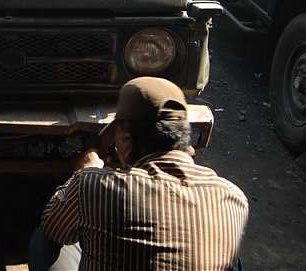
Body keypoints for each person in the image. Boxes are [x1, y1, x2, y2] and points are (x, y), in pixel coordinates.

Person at [29, 77, 249, 271]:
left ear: (126, 142)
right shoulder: (233, 197)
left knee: (44, 238)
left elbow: (52, 226)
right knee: (231, 260)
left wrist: (85, 173)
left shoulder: (91, 186)